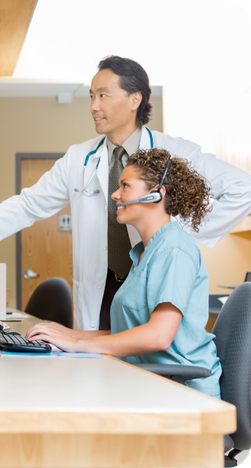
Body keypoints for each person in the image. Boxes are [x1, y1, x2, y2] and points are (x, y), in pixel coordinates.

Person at [0, 55, 251, 332]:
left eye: (103, 95)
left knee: (149, 364)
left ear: (134, 100)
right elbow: (30, 204)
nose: (93, 106)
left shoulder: (173, 152)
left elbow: (244, 189)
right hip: (102, 292)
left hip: (152, 283)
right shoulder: (79, 158)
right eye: (90, 96)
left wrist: (180, 233)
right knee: (100, 376)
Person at [26, 148, 221, 398]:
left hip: (184, 393)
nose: (115, 194)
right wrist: (68, 334)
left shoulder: (174, 249)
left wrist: (77, 345)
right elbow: (130, 332)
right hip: (152, 382)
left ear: (155, 195)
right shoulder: (143, 252)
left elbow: (159, 336)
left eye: (125, 186)